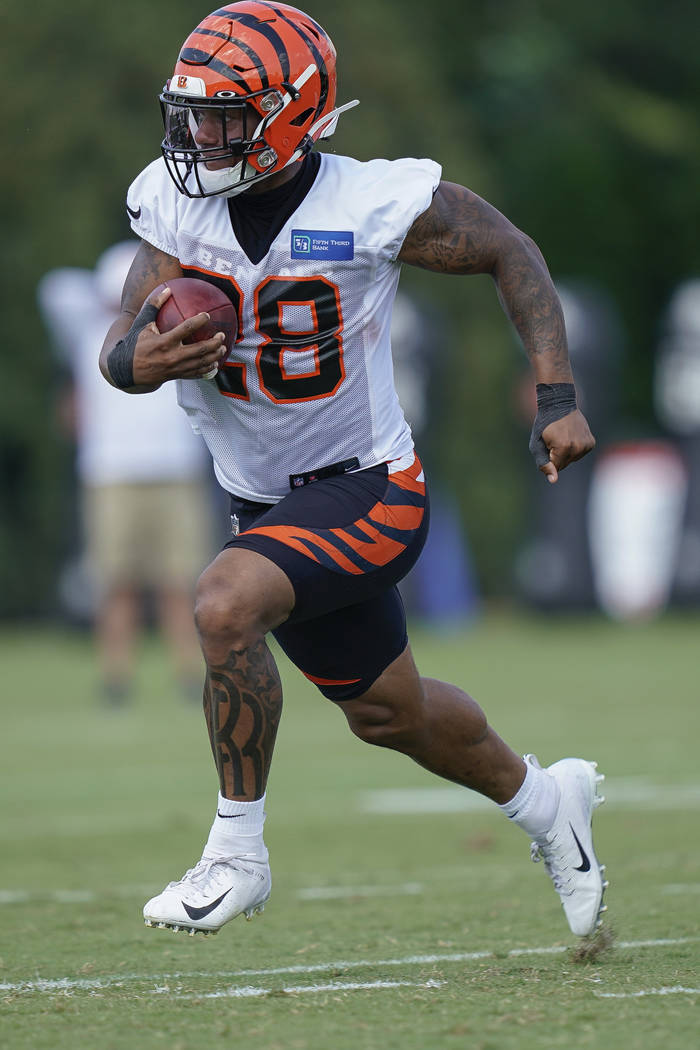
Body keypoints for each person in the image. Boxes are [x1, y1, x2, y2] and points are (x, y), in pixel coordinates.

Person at [99, 2, 604, 939]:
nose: (198, 138)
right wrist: (139, 361)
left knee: (221, 603)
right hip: (262, 504)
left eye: (223, 117)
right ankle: (548, 803)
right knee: (389, 712)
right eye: (192, 115)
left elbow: (510, 250)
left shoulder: (370, 203)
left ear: (293, 113)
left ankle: (236, 852)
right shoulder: (176, 204)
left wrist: (556, 396)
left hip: (370, 488)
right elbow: (121, 342)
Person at [39, 241, 214, 704]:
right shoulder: (92, 331)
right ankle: (116, 678)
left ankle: (188, 677)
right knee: (116, 582)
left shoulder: (180, 332)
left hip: (174, 466)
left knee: (180, 581)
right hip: (110, 471)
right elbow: (54, 289)